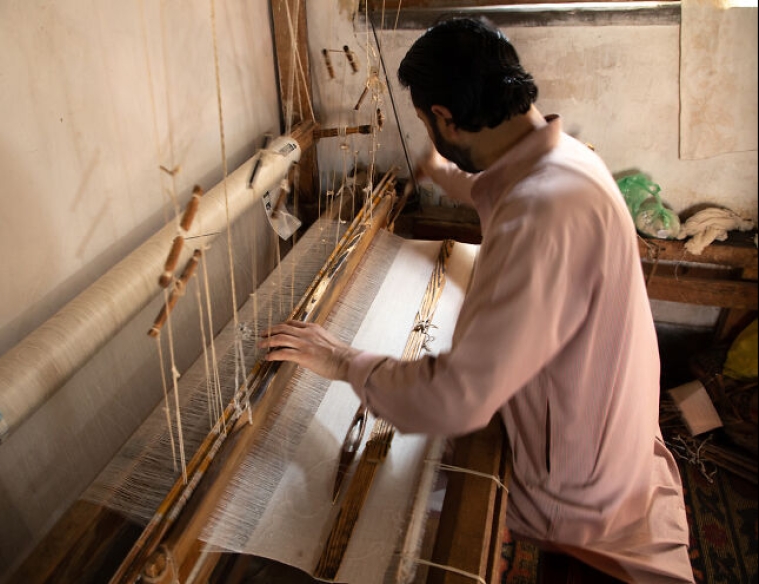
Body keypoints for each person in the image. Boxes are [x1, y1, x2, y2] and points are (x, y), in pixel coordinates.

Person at [260, 17, 694, 584]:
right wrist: (446, 175)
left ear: (445, 117)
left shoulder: (538, 216)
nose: (431, 135)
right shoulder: (571, 161)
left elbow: (460, 401)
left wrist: (342, 362)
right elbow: (508, 187)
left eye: (426, 123)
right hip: (619, 443)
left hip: (581, 493)